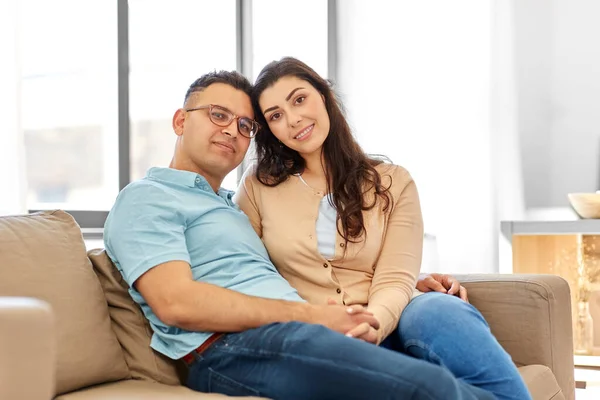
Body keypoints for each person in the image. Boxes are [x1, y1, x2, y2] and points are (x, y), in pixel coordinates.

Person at [103, 70, 494, 399]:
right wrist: (313, 317)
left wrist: (408, 281)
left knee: (460, 382)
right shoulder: (147, 197)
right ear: (180, 121)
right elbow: (176, 303)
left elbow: (297, 262)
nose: (232, 131)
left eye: (244, 125)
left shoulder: (230, 206)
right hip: (232, 349)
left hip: (296, 334)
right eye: (218, 114)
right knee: (430, 387)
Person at [234, 57, 531, 400]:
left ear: (324, 95)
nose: (293, 119)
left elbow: (394, 278)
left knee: (441, 310)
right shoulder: (257, 187)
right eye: (275, 115)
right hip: (321, 332)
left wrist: (370, 325)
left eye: (299, 99)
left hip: (398, 312)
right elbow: (251, 273)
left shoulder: (393, 182)